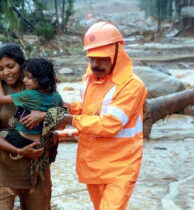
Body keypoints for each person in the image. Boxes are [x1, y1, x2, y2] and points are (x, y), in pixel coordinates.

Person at [58, 22, 147, 210]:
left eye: (101, 59)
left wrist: (70, 119)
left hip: (121, 166)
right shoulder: (89, 78)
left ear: (116, 53)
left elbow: (110, 124)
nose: (95, 65)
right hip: (94, 162)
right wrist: (68, 107)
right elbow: (89, 109)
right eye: (91, 59)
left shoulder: (132, 86)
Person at [0, 43, 53, 210]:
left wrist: (45, 116)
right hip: (3, 169)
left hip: (36, 169)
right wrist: (17, 151)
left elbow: (60, 120)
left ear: (22, 65)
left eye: (11, 66)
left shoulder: (40, 88)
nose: (6, 73)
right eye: (1, 68)